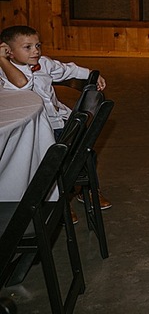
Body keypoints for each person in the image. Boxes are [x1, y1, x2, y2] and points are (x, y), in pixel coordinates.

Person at [0, 25, 111, 215]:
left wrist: (91, 74)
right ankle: (57, 200)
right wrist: (2, 60)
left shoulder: (44, 63)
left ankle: (88, 190)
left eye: (38, 45)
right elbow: (22, 84)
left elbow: (67, 69)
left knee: (84, 151)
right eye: (27, 47)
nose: (35, 51)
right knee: (48, 159)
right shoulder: (6, 71)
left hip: (62, 121)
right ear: (8, 50)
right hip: (37, 129)